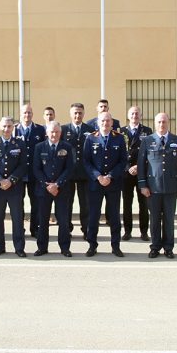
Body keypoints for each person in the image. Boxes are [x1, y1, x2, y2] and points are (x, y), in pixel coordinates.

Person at [139, 112, 177, 259]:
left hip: (171, 187)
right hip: (152, 187)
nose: (162, 125)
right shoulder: (147, 140)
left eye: (164, 122)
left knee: (168, 218)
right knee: (154, 219)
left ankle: (168, 247)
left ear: (168, 123)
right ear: (155, 123)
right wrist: (143, 185)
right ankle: (155, 247)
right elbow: (141, 164)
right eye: (159, 122)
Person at [83, 112, 128, 257]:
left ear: (112, 123)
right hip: (95, 185)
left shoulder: (119, 138)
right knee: (93, 216)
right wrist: (98, 176)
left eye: (108, 121)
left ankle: (115, 246)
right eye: (102, 121)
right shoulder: (91, 138)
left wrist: (110, 176)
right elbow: (86, 161)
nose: (105, 123)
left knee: (114, 216)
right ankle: (92, 245)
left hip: (113, 184)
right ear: (97, 123)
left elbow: (123, 161)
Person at [0, 116, 27, 257]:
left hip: (14, 188)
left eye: (9, 126)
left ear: (13, 128)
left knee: (17, 218)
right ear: (0, 127)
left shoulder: (20, 144)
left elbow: (23, 165)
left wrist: (11, 179)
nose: (6, 129)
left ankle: (19, 247)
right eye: (4, 126)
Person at [32, 121, 74, 257]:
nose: (54, 134)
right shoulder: (39, 147)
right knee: (43, 220)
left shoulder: (66, 147)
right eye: (52, 132)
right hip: (44, 190)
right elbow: (36, 169)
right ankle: (42, 247)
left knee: (63, 221)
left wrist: (57, 184)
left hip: (62, 189)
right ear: (47, 133)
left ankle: (65, 248)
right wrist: (47, 185)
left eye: (57, 132)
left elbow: (69, 169)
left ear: (60, 133)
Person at [120, 105, 152, 242]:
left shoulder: (147, 131)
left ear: (140, 115)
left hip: (141, 172)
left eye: (137, 114)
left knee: (143, 203)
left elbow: (150, 152)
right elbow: (119, 153)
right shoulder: (120, 132)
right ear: (128, 116)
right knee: (127, 203)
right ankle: (127, 231)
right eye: (132, 114)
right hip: (126, 173)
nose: (135, 116)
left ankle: (144, 232)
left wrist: (138, 167)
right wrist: (128, 167)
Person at [14, 103, 46, 238]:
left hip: (34, 173)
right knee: (18, 204)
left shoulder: (40, 130)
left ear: (32, 114)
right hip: (19, 174)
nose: (27, 115)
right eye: (24, 113)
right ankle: (19, 229)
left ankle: (35, 229)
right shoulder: (15, 130)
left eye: (29, 113)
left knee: (36, 203)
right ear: (20, 114)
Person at [60, 102, 90, 235]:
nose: (77, 115)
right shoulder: (63, 129)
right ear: (70, 114)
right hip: (68, 173)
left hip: (85, 172)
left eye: (80, 112)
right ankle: (67, 229)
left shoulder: (90, 129)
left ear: (84, 113)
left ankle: (86, 229)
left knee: (85, 204)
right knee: (67, 204)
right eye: (75, 113)